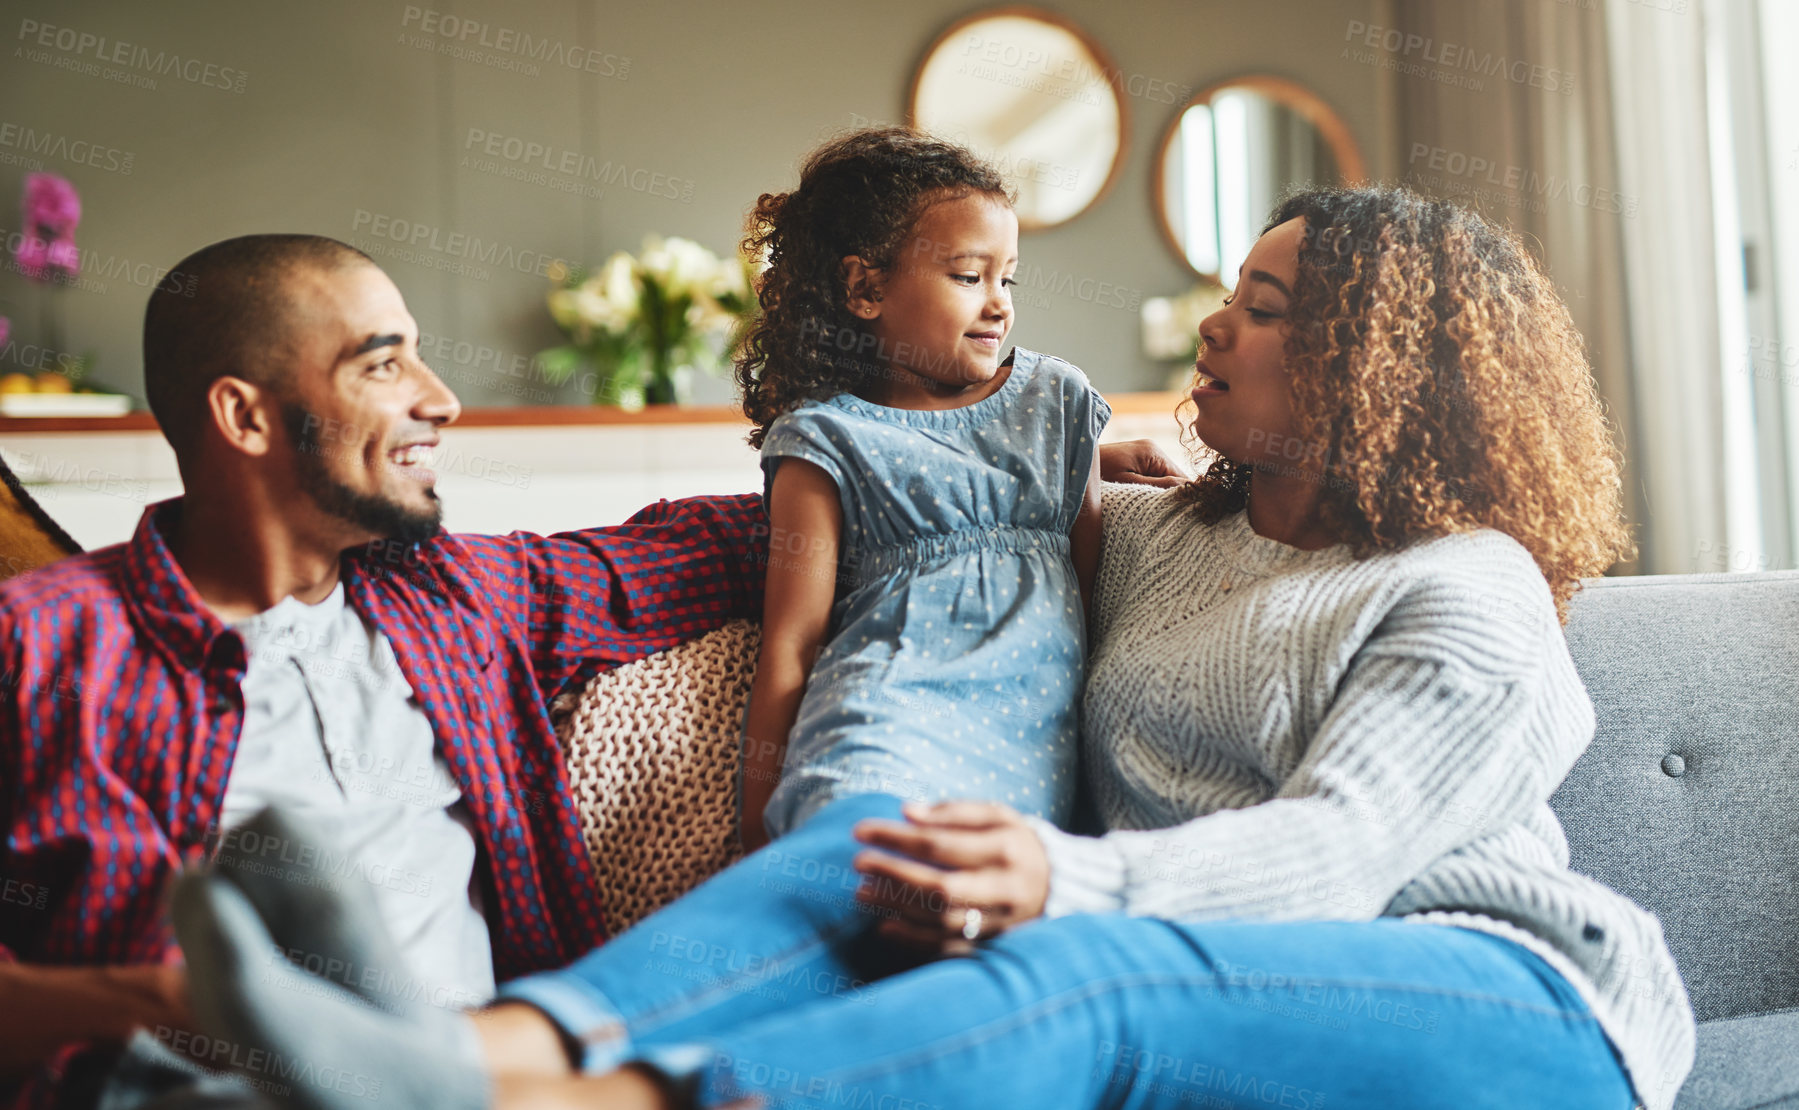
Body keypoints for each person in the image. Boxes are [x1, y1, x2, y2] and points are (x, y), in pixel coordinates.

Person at [174, 186, 1696, 1110]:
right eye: (1227, 295)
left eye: (1262, 307)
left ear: (1372, 367)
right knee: (880, 851)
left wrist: (1061, 875)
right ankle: (463, 1050)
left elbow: (1337, 853)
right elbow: (939, 496)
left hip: (1507, 1011)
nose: (1211, 329)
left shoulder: (1465, 585)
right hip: (1204, 966)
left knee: (1094, 973)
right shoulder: (1163, 536)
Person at [0, 232, 1173, 1109]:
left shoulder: (458, 597)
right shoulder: (43, 644)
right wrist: (161, 1003)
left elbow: (739, 535)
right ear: (243, 417)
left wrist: (1035, 462)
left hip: (498, 1074)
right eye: (381, 365)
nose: (439, 398)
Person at [735, 128, 1106, 854]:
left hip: (1028, 772)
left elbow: (1089, 599)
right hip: (877, 739)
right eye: (969, 277)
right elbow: (790, 648)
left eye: (1009, 278)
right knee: (846, 892)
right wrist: (753, 836)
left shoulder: (1058, 403)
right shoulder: (823, 438)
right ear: (866, 289)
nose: (997, 303)